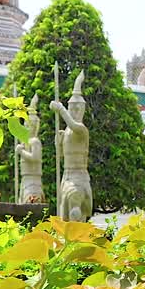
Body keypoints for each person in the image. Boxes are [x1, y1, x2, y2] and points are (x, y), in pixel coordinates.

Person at [50, 71, 92, 222]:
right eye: (71, 108)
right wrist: (58, 142)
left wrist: (61, 109)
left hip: (79, 177)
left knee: (75, 209)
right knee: (63, 214)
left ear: (82, 109)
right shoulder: (67, 131)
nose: (74, 111)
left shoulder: (80, 129)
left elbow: (73, 125)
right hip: (66, 176)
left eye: (77, 108)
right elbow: (61, 156)